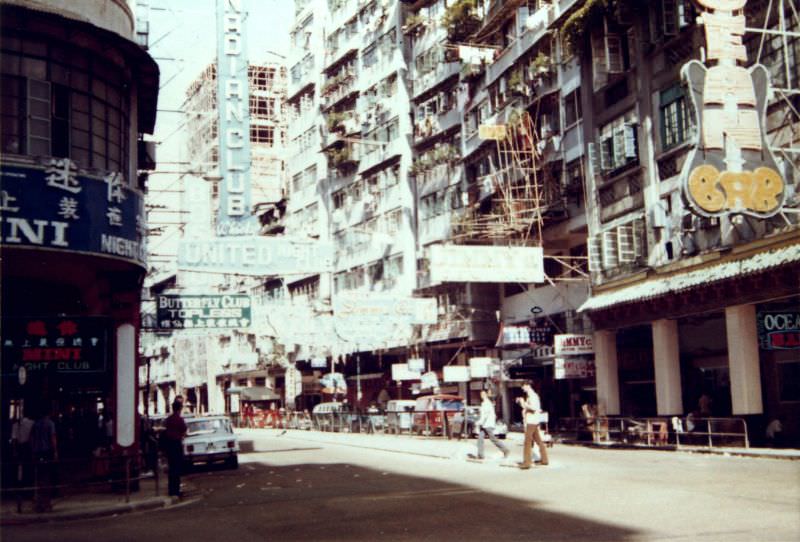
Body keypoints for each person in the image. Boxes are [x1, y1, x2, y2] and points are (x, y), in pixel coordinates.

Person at [30, 405, 58, 512]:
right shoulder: (50, 423)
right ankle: (47, 503)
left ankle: (38, 503)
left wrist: (33, 450)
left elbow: (31, 439)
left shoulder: (36, 424)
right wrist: (55, 452)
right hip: (47, 452)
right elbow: (53, 438)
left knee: (38, 477)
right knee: (47, 477)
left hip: (37, 452)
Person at [516, 381, 549, 469]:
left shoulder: (533, 396)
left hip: (532, 420)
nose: (522, 389)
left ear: (527, 386)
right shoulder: (531, 395)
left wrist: (524, 403)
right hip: (533, 420)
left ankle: (527, 462)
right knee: (538, 440)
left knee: (527, 441)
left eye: (523, 386)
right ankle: (544, 459)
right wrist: (522, 403)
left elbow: (534, 408)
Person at [472, 390, 509, 460]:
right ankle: (480, 455)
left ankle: (505, 450)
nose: (482, 395)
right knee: (480, 439)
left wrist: (478, 422)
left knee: (493, 439)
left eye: (483, 394)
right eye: (481, 394)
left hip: (488, 424)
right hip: (485, 425)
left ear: (486, 395)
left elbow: (485, 415)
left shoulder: (486, 403)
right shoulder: (485, 403)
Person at [162, 400, 187, 497]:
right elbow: (184, 430)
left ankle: (171, 489)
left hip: (169, 445)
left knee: (171, 467)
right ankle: (176, 490)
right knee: (177, 468)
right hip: (176, 444)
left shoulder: (169, 419)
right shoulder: (179, 419)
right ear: (180, 408)